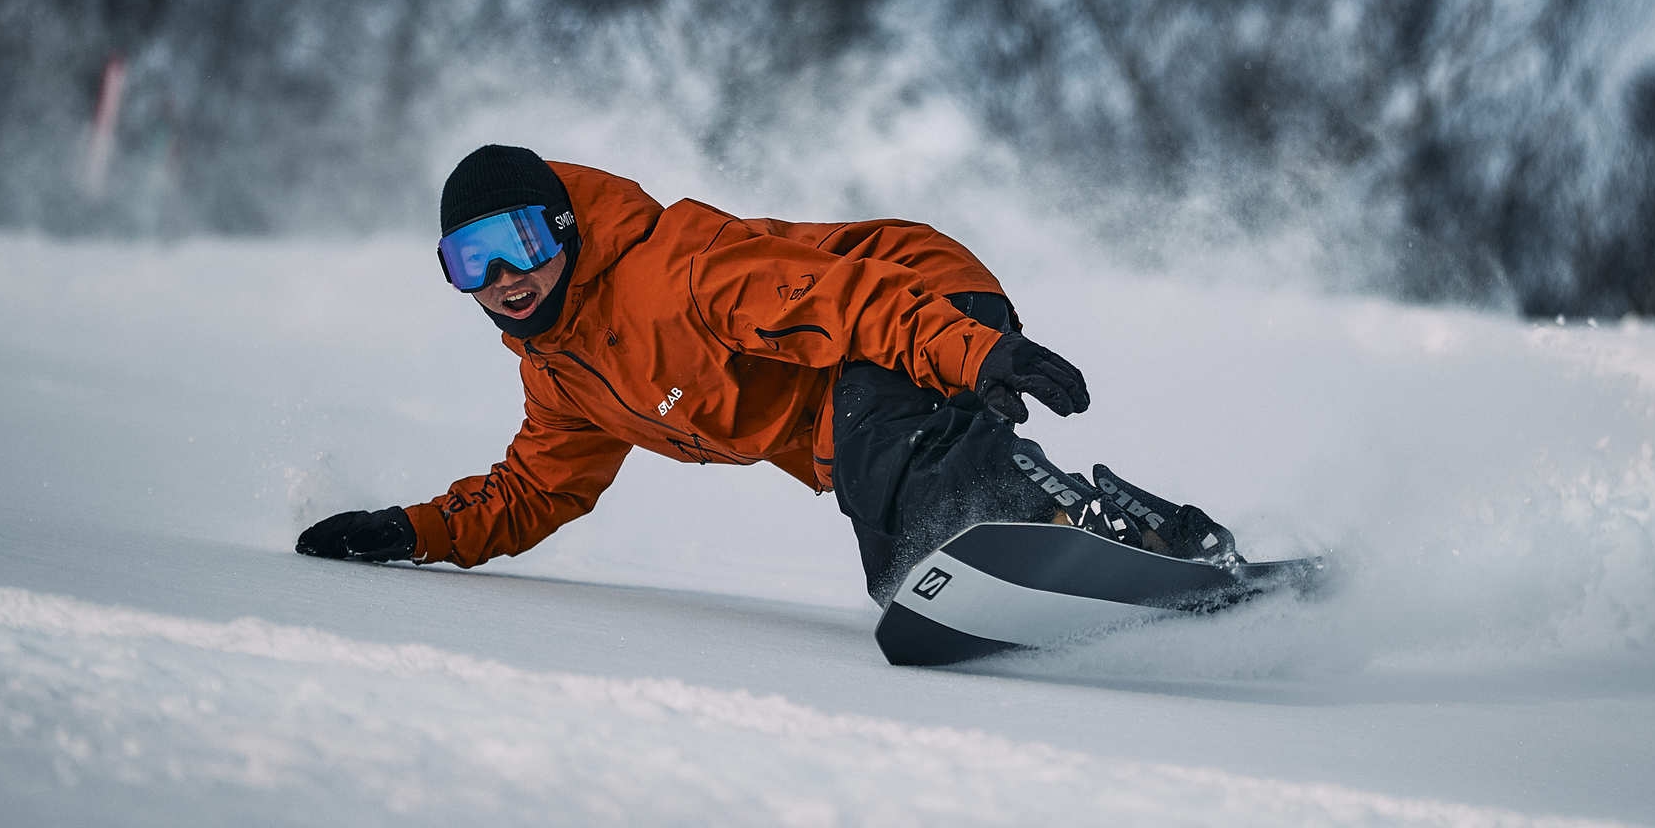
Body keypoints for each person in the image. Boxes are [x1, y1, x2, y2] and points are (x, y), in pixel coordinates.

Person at [296, 144, 1236, 601]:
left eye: (517, 244)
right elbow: (528, 494)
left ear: (565, 230)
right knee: (914, 561)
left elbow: (842, 303)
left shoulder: (677, 270)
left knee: (925, 533)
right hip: (855, 403)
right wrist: (411, 529)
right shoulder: (565, 377)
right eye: (471, 263)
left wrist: (971, 348)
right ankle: (1115, 558)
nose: (503, 281)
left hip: (910, 300)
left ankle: (1122, 531)